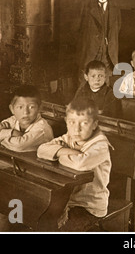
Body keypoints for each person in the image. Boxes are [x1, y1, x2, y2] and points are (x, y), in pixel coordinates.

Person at [0, 84, 54, 231]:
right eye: (20, 107)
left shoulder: (41, 127)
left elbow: (18, 146)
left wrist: (1, 135)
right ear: (12, 109)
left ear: (39, 108)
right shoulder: (13, 120)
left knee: (2, 211)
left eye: (31, 107)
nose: (25, 112)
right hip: (15, 169)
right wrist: (11, 133)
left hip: (35, 178)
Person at [37, 97, 112, 231]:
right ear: (66, 122)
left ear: (94, 124)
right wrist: (66, 151)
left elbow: (80, 164)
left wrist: (57, 155)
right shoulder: (68, 138)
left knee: (63, 230)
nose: (76, 129)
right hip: (68, 201)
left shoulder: (100, 145)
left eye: (84, 123)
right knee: (42, 221)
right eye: (72, 122)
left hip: (90, 206)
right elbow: (41, 150)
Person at [76, 0, 121, 84]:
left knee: (105, 85)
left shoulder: (116, 6)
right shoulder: (85, 4)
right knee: (85, 84)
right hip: (89, 53)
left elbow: (118, 29)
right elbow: (77, 30)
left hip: (108, 56)